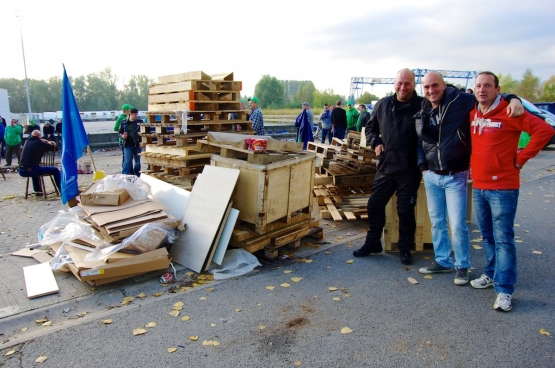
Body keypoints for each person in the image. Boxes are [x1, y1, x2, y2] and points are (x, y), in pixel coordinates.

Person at [415, 71, 523, 285]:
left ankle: (462, 266)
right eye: (427, 87)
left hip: (456, 174)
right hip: (432, 175)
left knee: (457, 224)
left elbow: (489, 95)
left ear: (444, 86)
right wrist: (423, 168)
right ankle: (443, 261)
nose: (431, 90)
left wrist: (513, 98)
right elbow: (420, 141)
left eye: (435, 85)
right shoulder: (423, 109)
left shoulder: (461, 100)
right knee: (437, 223)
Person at [469, 71, 554, 312]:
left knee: (503, 239)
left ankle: (504, 290)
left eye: (487, 86)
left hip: (503, 187)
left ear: (498, 90)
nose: (482, 90)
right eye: (478, 86)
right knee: (487, 237)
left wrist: (521, 158)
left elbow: (545, 132)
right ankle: (491, 274)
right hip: (480, 186)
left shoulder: (510, 110)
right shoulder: (473, 113)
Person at [353, 69, 423, 265]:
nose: (403, 87)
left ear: (414, 85)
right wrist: (376, 143)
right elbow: (370, 128)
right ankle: (373, 242)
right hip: (386, 165)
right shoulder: (383, 104)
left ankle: (405, 247)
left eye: (407, 84)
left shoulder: (421, 106)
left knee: (405, 210)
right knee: (374, 204)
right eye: (400, 83)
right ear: (395, 83)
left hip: (409, 169)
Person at [18, 130, 61, 195]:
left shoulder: (27, 141)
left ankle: (37, 191)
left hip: (21, 170)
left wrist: (44, 140)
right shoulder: (40, 143)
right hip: (32, 170)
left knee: (34, 168)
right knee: (55, 170)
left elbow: (35, 139)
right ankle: (62, 190)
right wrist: (50, 142)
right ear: (40, 137)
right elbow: (55, 148)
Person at [118, 108, 143, 177]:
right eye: (134, 114)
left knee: (137, 163)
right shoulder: (123, 122)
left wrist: (142, 142)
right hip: (127, 145)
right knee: (127, 161)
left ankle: (137, 176)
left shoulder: (140, 122)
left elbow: (143, 133)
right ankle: (124, 176)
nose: (136, 116)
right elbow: (119, 132)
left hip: (137, 145)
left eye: (137, 114)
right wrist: (122, 136)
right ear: (130, 114)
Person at [114, 104, 133, 170]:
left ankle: (129, 171)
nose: (131, 111)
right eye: (130, 110)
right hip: (122, 141)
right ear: (127, 110)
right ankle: (125, 171)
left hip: (130, 140)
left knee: (129, 157)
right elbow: (115, 128)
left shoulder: (130, 117)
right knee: (126, 157)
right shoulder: (121, 118)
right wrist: (123, 131)